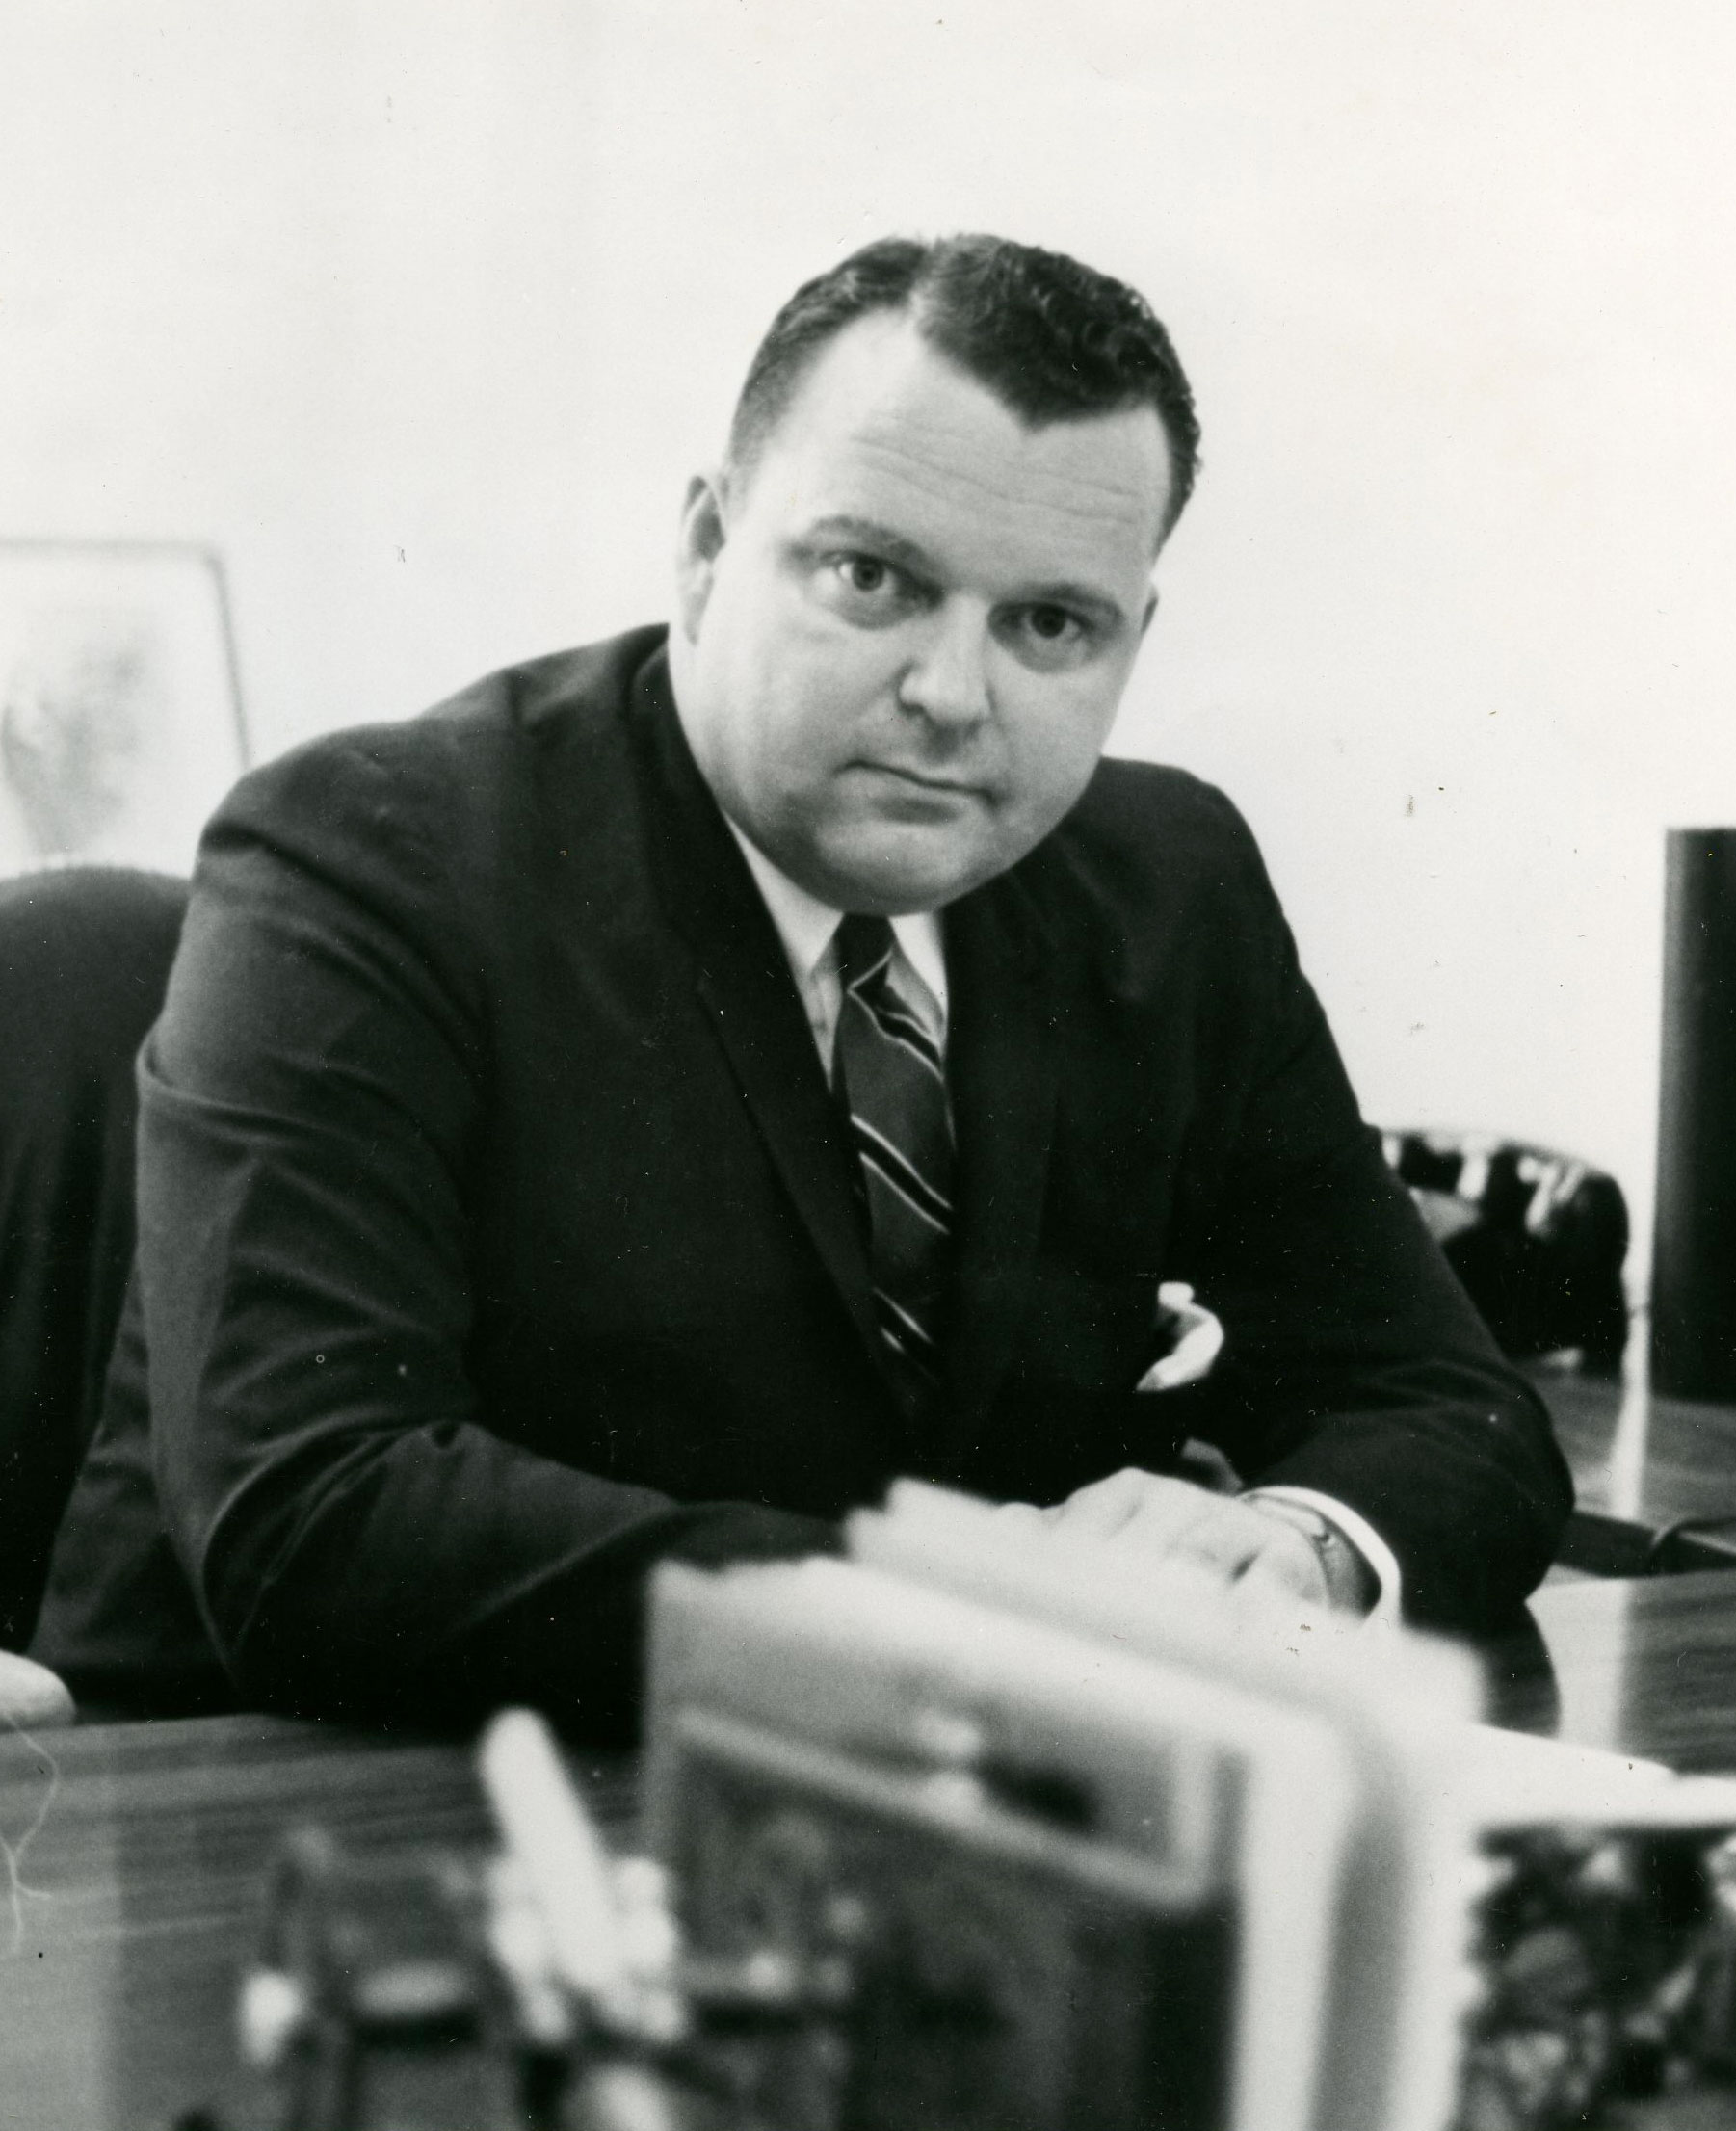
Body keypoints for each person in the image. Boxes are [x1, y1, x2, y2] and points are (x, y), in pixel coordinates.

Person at [33, 235, 1571, 1732]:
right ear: (706, 550)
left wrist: (1293, 1542)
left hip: (885, 1834)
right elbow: (312, 1514)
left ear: (1132, 636)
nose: (952, 698)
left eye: (1050, 623)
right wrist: (966, 1609)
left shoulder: (1167, 882)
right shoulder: (375, 855)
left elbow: (1454, 1407)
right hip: (277, 1822)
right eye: (872, 578)